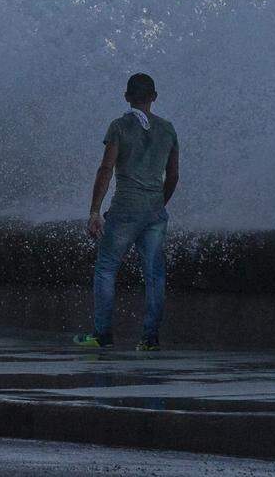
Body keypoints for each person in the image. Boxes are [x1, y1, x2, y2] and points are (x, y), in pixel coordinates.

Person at [74, 73, 179, 351]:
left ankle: (102, 334)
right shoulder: (167, 130)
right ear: (154, 97)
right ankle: (149, 339)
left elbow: (106, 169)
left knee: (106, 269)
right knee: (154, 275)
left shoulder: (119, 127)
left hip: (124, 211)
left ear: (127, 97)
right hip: (154, 212)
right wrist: (159, 203)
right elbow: (173, 175)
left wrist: (95, 211)